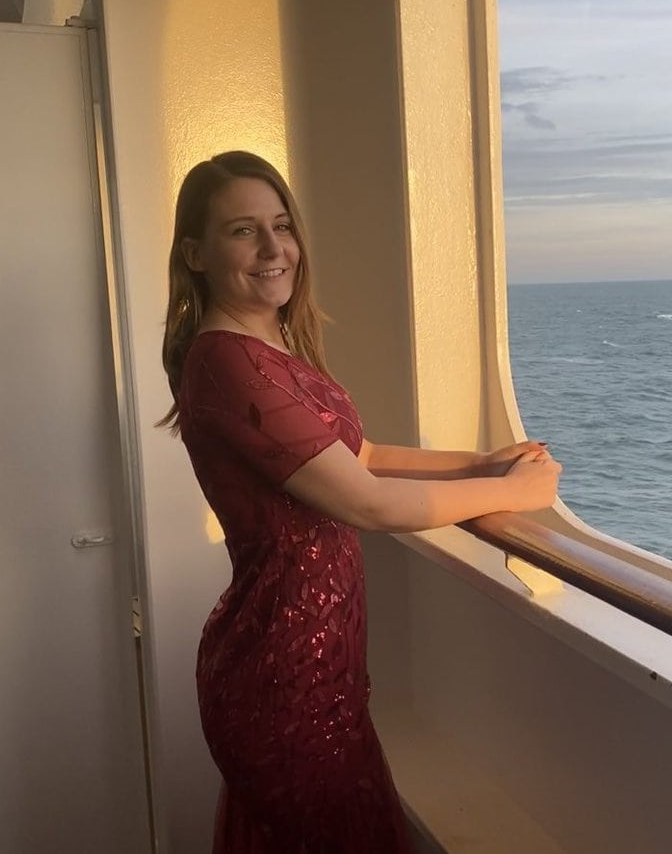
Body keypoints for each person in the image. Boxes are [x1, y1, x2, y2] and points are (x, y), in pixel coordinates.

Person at [159, 150, 561, 853]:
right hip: (282, 678)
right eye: (242, 231)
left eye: (281, 225)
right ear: (195, 253)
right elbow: (369, 503)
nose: (273, 248)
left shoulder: (273, 347)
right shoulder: (224, 361)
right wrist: (512, 491)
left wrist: (477, 460)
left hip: (320, 670)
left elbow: (362, 457)